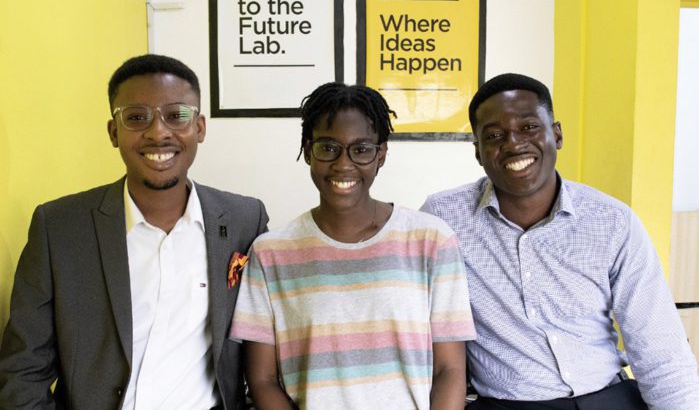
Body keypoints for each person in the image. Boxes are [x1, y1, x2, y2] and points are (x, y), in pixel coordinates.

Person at [0, 54, 269, 409]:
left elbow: (265, 353)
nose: (158, 132)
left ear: (200, 127)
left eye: (176, 115)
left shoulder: (244, 220)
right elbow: (23, 371)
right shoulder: (60, 228)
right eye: (137, 117)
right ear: (114, 132)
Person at [421, 73, 699, 409]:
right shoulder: (444, 218)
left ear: (557, 134)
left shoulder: (612, 222)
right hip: (509, 404)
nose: (513, 144)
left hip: (607, 397)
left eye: (529, 127)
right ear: (478, 152)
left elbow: (661, 350)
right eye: (494, 135)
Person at [229, 82, 476, 409]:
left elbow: (450, 370)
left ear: (381, 154)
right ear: (308, 150)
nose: (343, 164)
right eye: (328, 147)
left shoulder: (432, 240)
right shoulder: (270, 253)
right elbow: (262, 379)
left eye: (361, 149)